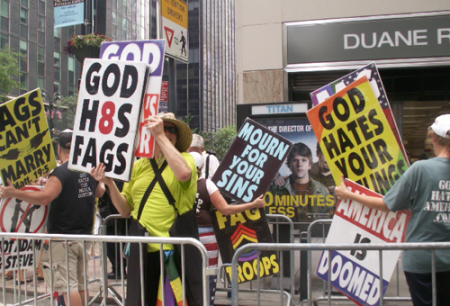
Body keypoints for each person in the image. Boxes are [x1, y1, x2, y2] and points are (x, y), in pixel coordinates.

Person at [335, 114, 450, 306]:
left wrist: (349, 195)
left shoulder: (421, 169)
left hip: (420, 260)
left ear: (434, 139)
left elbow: (387, 205)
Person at [91, 113, 198, 306]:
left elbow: (183, 174)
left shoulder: (186, 159)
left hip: (173, 252)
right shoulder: (139, 166)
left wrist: (160, 136)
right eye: (160, 127)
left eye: (170, 129)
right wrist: (109, 184)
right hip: (141, 251)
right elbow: (125, 210)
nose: (165, 132)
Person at [0, 129, 106, 306]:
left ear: (59, 149)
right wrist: (101, 179)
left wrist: (14, 193)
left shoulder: (60, 172)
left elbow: (46, 197)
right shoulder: (87, 169)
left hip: (63, 239)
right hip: (84, 237)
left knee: (68, 287)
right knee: (80, 285)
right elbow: (100, 192)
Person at [189, 151, 265, 305]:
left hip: (185, 236)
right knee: (208, 273)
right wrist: (253, 204)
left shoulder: (177, 184)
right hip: (207, 236)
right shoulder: (207, 185)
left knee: (188, 273)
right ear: (201, 166)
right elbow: (225, 209)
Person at [270, 142, 331, 222]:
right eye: (295, 160)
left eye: (304, 160)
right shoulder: (277, 187)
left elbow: (328, 218)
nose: (299, 164)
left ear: (310, 164)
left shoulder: (322, 190)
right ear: (289, 165)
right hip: (285, 233)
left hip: (314, 233)